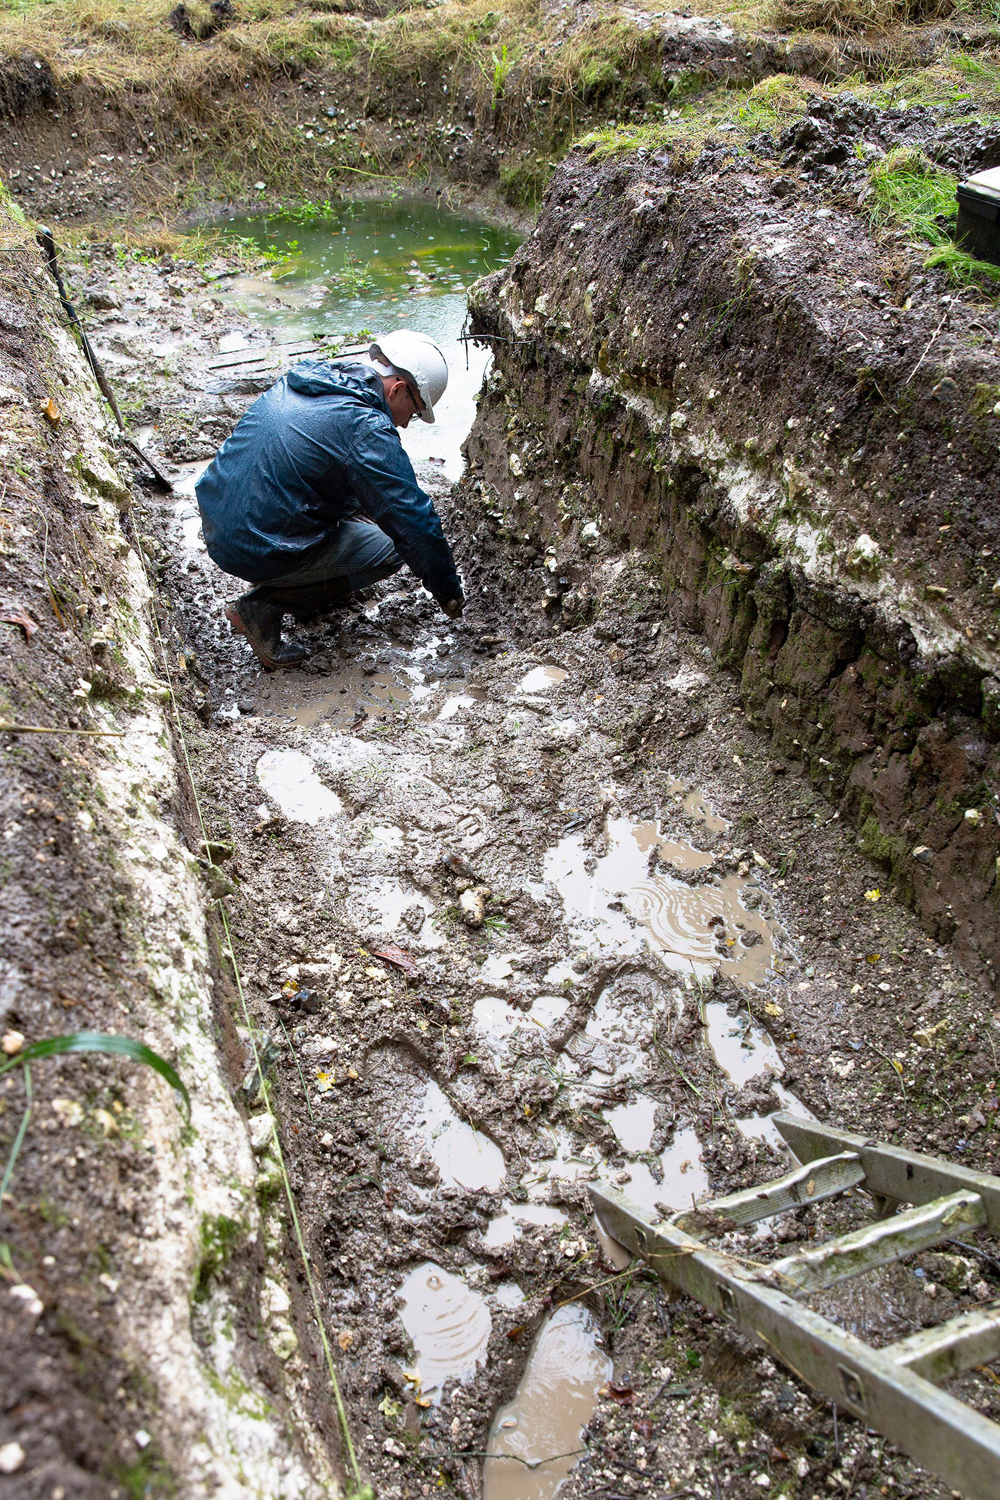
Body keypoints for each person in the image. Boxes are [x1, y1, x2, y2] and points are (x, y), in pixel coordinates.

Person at [195, 330, 464, 670]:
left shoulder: (315, 379)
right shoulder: (365, 428)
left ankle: (296, 581)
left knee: (364, 504)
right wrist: (448, 593)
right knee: (393, 547)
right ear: (397, 389)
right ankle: (265, 605)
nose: (407, 425)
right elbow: (413, 521)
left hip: (221, 519)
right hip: (255, 545)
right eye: (412, 413)